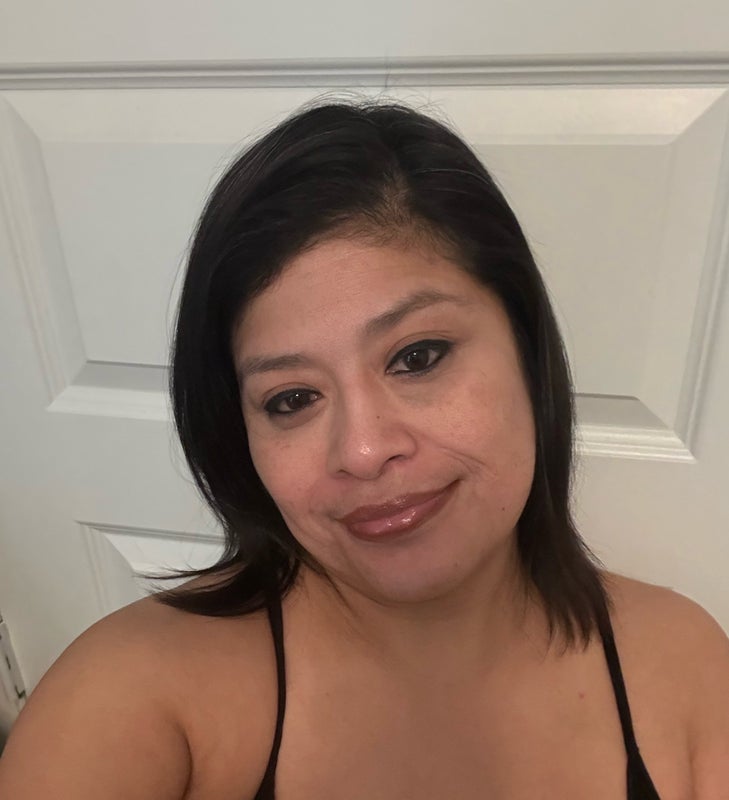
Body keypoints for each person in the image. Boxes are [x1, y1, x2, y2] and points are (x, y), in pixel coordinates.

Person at [1, 99, 728, 800]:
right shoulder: (135, 694)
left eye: (417, 356)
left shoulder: (683, 664)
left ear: (526, 350)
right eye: (292, 399)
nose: (364, 449)